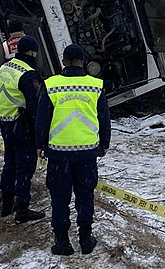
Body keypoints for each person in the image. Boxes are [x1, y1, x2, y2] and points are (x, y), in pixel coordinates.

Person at [35, 44, 112, 255]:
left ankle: (62, 242)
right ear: (83, 62)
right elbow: (104, 118)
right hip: (87, 153)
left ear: (63, 61)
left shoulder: (51, 85)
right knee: (85, 195)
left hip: (59, 154)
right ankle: (86, 240)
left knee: (59, 198)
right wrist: (104, 143)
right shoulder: (95, 85)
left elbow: (42, 119)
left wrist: (40, 145)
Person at [0, 35, 46, 224]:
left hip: (5, 122)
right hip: (22, 126)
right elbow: (35, 108)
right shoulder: (29, 74)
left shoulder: (4, 68)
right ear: (32, 52)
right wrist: (40, 135)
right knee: (25, 168)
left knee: (10, 163)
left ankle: (6, 205)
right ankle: (23, 209)